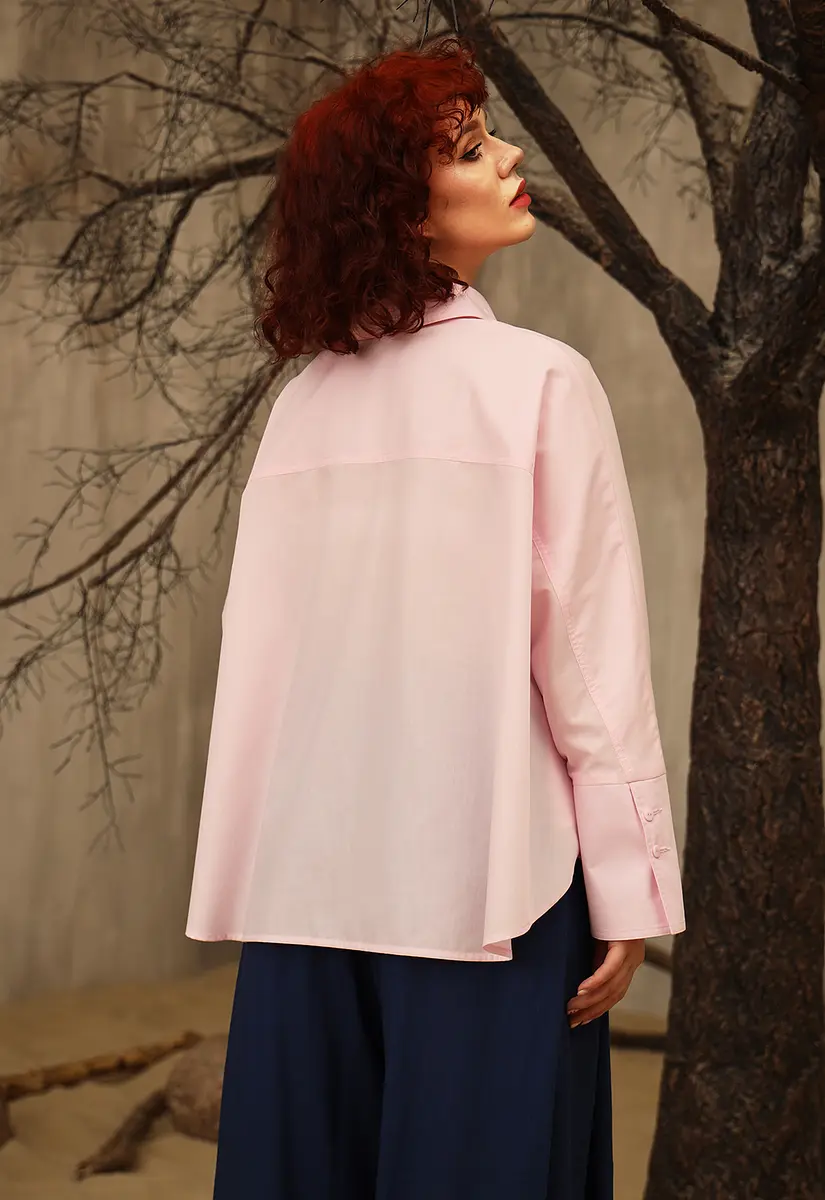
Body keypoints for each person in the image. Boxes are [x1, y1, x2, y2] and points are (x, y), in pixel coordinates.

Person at [185, 32, 686, 1200]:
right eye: (466, 148)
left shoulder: (302, 408)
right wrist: (629, 888)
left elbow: (267, 667)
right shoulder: (539, 383)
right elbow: (589, 666)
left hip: (305, 895)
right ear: (398, 208)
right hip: (492, 887)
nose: (509, 157)